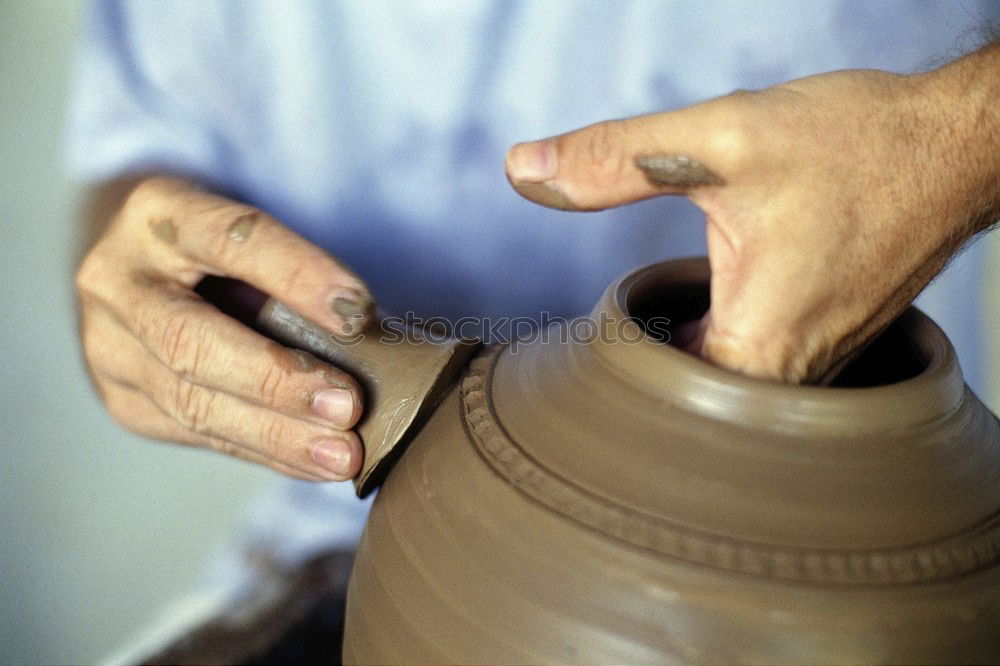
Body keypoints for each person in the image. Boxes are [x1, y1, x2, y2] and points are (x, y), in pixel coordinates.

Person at [70, 1, 998, 576]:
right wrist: (146, 282)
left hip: (818, 539)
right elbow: (144, 155)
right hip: (358, 516)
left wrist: (953, 141)